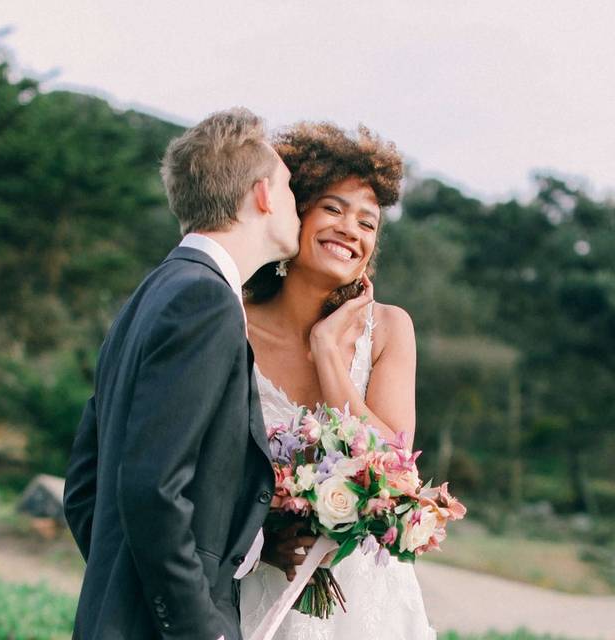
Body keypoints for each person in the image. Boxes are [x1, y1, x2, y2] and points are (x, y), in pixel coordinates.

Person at [62, 107, 301, 640]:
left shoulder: (153, 292)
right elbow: (152, 487)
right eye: (289, 190)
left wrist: (122, 586)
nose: (297, 208)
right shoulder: (205, 300)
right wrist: (197, 626)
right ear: (262, 194)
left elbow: (84, 486)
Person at [239, 122, 436, 639]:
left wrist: (328, 353)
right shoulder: (230, 320)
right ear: (293, 214)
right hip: (258, 579)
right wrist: (263, 534)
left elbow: (394, 469)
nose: (351, 228)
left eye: (367, 222)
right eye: (332, 208)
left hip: (366, 599)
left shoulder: (391, 328)